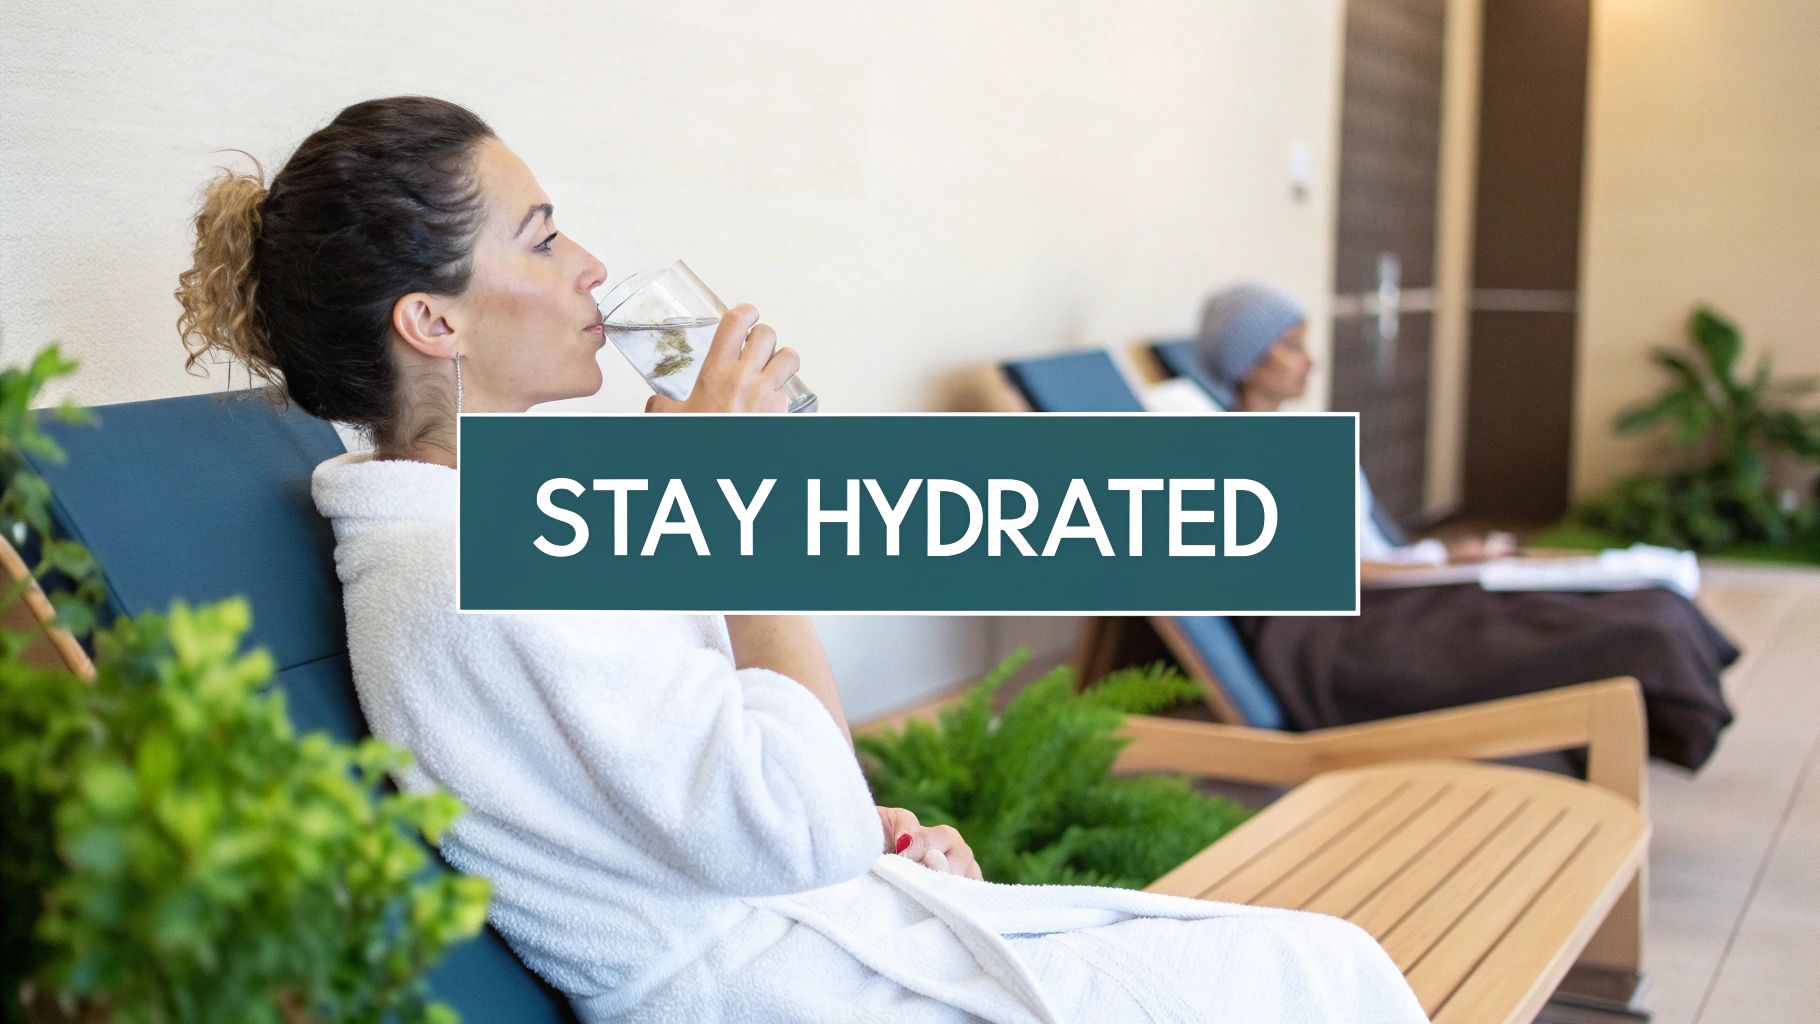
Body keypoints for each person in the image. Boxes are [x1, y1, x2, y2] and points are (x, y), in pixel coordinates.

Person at [172, 97, 1427, 1023]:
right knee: (1321, 971)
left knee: (1316, 960)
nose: (591, 267)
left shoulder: (487, 520)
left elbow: (689, 774)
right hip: (775, 991)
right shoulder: (456, 571)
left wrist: (859, 820)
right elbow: (778, 815)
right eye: (544, 238)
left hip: (812, 926)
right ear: (434, 320)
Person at [1194, 282, 1737, 769]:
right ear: (1245, 364)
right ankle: (1606, 723)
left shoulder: (1294, 441)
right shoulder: (1233, 461)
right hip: (1336, 642)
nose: (1308, 361)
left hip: (1381, 597)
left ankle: (1612, 723)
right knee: (1628, 628)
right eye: (1290, 345)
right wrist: (1433, 565)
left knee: (1637, 602)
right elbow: (1310, 576)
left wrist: (1443, 560)